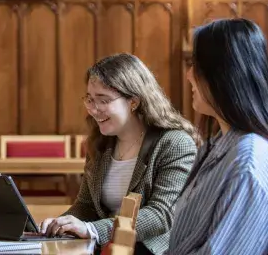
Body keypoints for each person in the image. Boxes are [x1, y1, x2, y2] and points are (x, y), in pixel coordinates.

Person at [166, 18, 268, 254]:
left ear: (225, 75)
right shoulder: (219, 146)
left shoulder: (249, 163)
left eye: (196, 65)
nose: (189, 75)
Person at [40, 53, 200, 255]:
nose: (93, 109)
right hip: (108, 248)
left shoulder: (174, 143)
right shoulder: (100, 143)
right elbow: (86, 205)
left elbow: (162, 215)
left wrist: (92, 230)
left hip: (152, 250)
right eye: (89, 99)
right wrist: (60, 226)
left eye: (103, 100)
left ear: (133, 102)